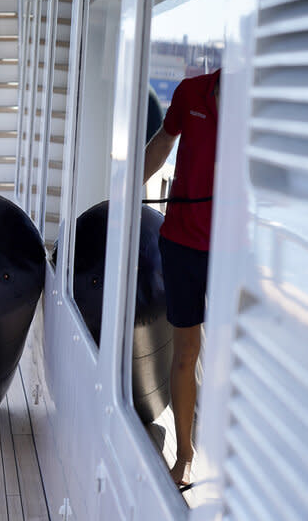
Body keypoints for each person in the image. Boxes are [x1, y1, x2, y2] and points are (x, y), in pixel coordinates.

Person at [143, 68, 221, 487]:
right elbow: (162, 144)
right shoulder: (193, 92)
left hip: (234, 253)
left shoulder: (264, 108)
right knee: (186, 350)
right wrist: (127, 187)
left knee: (230, 356)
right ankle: (185, 455)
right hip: (183, 244)